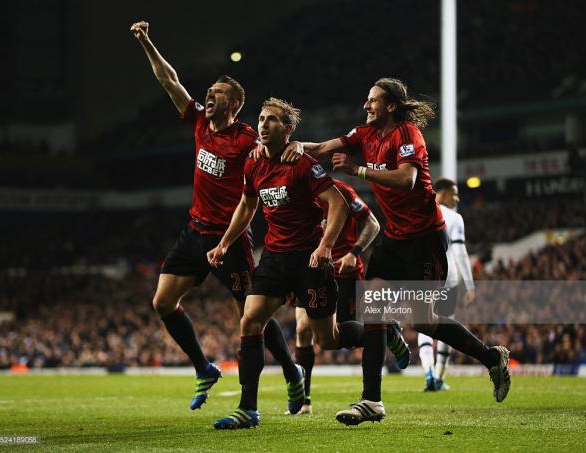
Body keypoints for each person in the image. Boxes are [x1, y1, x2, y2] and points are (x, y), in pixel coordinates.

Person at [294, 77, 510, 425]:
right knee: (374, 308)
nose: (366, 105)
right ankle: (371, 400)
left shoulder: (408, 134)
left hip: (424, 241)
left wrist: (358, 170)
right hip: (394, 239)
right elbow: (322, 146)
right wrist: (289, 147)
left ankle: (490, 358)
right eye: (366, 100)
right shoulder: (363, 135)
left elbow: (407, 179)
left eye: (373, 100)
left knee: (423, 321)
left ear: (391, 106)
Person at [130, 21, 303, 412]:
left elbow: (274, 153)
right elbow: (169, 80)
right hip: (195, 231)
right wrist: (146, 42)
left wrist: (296, 149)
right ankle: (203, 368)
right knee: (162, 302)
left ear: (234, 104)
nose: (208, 96)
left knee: (251, 316)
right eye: (208, 92)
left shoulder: (245, 139)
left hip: (231, 238)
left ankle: (292, 371)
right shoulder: (197, 122)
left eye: (218, 93)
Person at [207, 98, 407, 429]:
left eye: (271, 119)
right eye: (260, 118)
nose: (263, 124)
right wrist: (224, 243)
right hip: (273, 258)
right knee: (249, 322)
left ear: (287, 129)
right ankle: (248, 409)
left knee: (327, 339)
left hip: (308, 262)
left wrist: (326, 246)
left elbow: (338, 204)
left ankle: (385, 330)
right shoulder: (253, 163)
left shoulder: (302, 163)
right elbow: (246, 205)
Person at [288, 178, 380, 415]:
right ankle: (304, 400)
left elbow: (372, 224)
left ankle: (387, 331)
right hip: (309, 269)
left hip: (343, 271)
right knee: (301, 328)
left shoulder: (342, 192)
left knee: (331, 338)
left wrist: (354, 253)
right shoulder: (294, 191)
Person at [417, 178, 475, 392]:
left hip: (422, 277)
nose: (457, 198)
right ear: (443, 193)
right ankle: (439, 377)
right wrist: (469, 284)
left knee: (423, 323)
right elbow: (460, 252)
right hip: (448, 277)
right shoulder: (454, 218)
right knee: (446, 324)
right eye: (455, 193)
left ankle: (428, 373)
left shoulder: (421, 213)